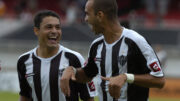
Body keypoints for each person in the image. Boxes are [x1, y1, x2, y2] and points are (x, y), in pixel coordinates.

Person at [60, 0, 165, 101]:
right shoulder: (96, 46)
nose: (86, 19)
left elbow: (159, 80)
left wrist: (126, 77)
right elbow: (87, 75)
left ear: (100, 15)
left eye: (87, 14)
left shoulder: (135, 41)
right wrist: (72, 71)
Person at [17, 10, 96, 101]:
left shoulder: (74, 58)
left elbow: (88, 97)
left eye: (58, 27)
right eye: (49, 27)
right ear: (36, 30)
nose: (54, 31)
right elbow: (25, 95)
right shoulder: (24, 61)